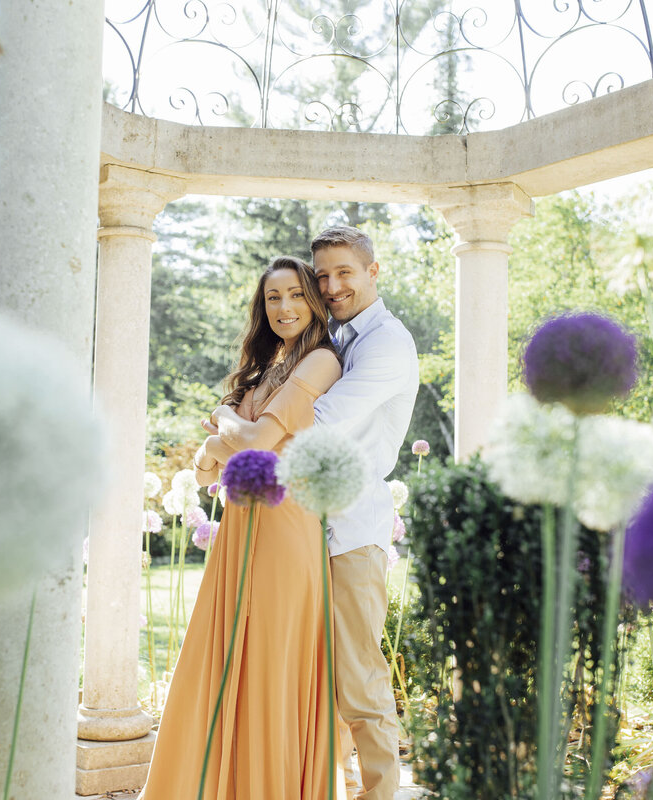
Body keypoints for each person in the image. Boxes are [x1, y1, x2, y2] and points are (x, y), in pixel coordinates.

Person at [214, 226, 419, 800]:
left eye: (344, 273)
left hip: (350, 528)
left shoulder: (385, 344)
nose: (332, 286)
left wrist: (233, 424)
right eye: (322, 276)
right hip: (302, 529)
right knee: (310, 682)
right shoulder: (335, 338)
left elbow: (317, 420)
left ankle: (378, 794)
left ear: (373, 271)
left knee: (358, 680)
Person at [139, 256, 343, 800]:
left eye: (297, 295)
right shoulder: (261, 370)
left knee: (272, 661)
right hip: (238, 527)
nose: (285, 308)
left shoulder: (322, 360)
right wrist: (221, 439)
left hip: (286, 527)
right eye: (273, 298)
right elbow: (207, 468)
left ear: (315, 302)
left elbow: (251, 444)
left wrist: (225, 424)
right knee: (224, 655)